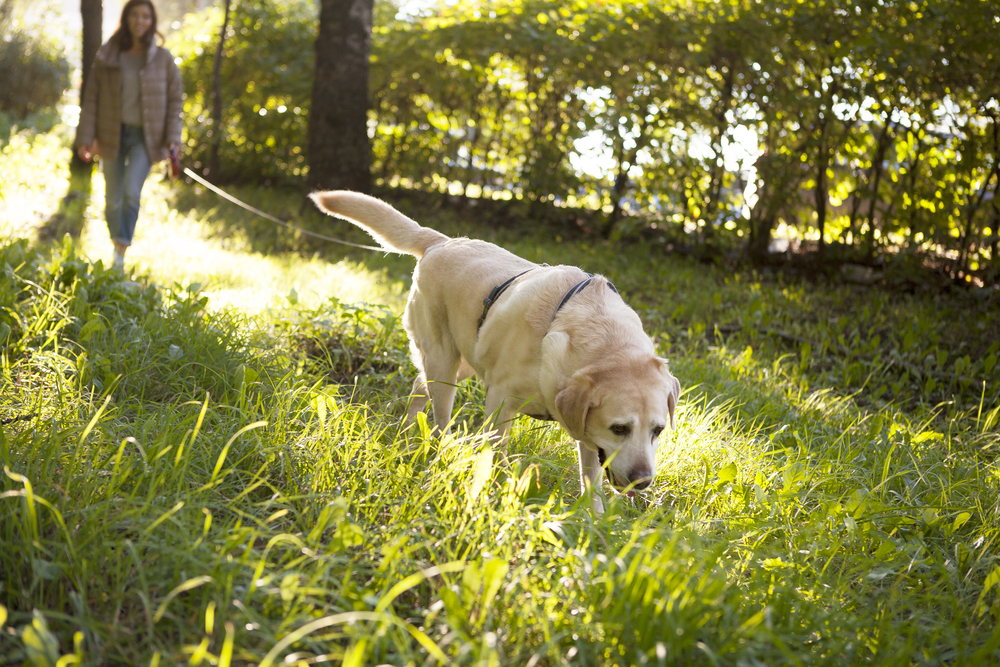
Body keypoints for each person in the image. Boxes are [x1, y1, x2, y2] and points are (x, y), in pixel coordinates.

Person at [75, 0, 183, 269]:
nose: (140, 21)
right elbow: (91, 98)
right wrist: (86, 138)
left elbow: (175, 101)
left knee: (131, 192)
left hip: (145, 138)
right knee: (112, 197)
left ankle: (120, 254)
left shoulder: (163, 58)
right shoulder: (108, 54)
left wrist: (173, 138)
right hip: (111, 133)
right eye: (134, 14)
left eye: (145, 16)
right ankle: (116, 246)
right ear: (126, 18)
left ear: (152, 21)